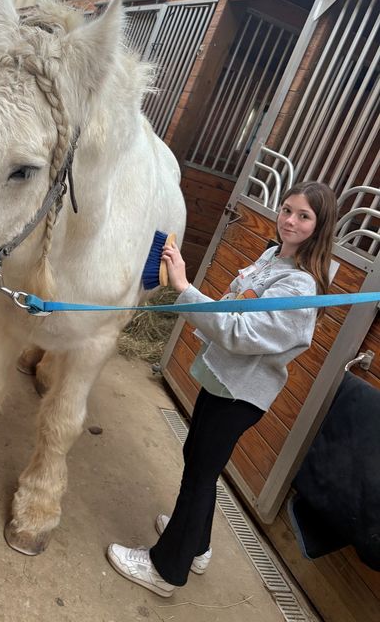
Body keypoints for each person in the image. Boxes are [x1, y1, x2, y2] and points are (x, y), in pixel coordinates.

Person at [107, 181, 337, 597]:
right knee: (199, 462)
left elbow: (240, 332)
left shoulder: (299, 288)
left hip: (240, 393)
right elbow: (234, 304)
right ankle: (197, 545)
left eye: (304, 216)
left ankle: (165, 570)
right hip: (222, 378)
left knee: (198, 475)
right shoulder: (273, 256)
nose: (290, 221)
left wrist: (183, 288)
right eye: (287, 210)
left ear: (320, 226)